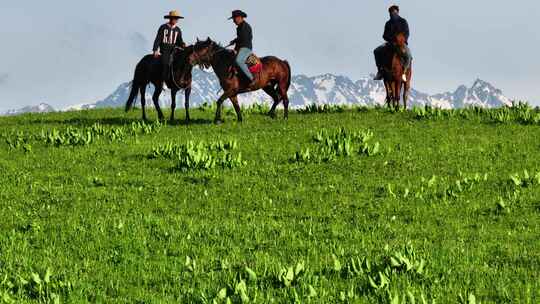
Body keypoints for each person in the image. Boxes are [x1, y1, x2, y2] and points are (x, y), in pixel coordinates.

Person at [373, 5, 412, 81]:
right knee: (376, 51)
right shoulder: (388, 23)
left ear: (397, 12)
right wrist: (391, 39)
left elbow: (407, 33)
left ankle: (404, 72)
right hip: (390, 44)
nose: (392, 14)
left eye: (394, 12)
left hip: (401, 44)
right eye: (391, 13)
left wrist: (402, 40)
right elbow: (384, 35)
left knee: (408, 55)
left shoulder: (403, 21)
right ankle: (380, 71)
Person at [153, 10, 186, 87]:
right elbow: (158, 39)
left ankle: (176, 80)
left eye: (177, 19)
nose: (176, 20)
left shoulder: (178, 30)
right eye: (174, 18)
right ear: (170, 18)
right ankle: (163, 80)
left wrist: (183, 45)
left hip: (174, 51)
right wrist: (155, 50)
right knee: (165, 63)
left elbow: (179, 41)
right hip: (164, 50)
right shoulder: (163, 27)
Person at [228, 10, 256, 86]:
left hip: (245, 48)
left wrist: (236, 50)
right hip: (241, 48)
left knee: (239, 60)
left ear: (240, 17)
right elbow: (240, 38)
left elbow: (244, 40)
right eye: (233, 19)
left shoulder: (245, 27)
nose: (233, 21)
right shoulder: (240, 27)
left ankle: (252, 78)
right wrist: (234, 41)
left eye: (234, 18)